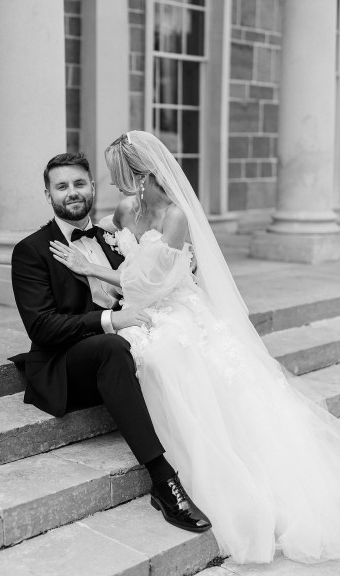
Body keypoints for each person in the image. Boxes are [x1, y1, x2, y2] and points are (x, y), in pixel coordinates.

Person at [49, 131, 340, 565]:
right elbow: (100, 235)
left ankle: (190, 469)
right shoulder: (129, 207)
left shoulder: (176, 215)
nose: (112, 183)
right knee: (133, 343)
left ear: (141, 173)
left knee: (166, 350)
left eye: (118, 174)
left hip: (175, 305)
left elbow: (152, 283)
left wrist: (91, 269)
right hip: (142, 306)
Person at [10, 151, 211, 535]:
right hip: (65, 361)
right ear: (48, 194)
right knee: (114, 346)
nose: (72, 192)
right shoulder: (31, 250)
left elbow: (147, 278)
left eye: (79, 183)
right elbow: (43, 328)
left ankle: (205, 452)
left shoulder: (112, 238)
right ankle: (164, 481)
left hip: (115, 353)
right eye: (62, 186)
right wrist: (111, 320)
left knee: (177, 339)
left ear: (93, 187)